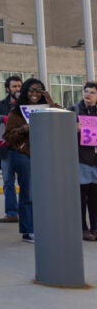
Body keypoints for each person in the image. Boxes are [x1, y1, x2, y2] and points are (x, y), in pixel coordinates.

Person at [3, 77, 59, 243]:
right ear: (26, 91)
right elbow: (8, 137)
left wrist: (50, 101)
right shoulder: (17, 112)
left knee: (43, 194)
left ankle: (41, 226)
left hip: (44, 155)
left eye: (39, 90)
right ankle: (28, 230)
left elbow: (64, 118)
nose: (35, 93)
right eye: (31, 90)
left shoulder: (48, 109)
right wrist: (22, 129)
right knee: (28, 193)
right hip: (24, 155)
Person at [68, 82, 97, 242]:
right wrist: (72, 126)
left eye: (92, 92)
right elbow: (60, 129)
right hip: (80, 160)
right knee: (80, 197)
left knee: (94, 197)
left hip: (95, 161)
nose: (88, 94)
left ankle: (95, 227)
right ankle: (82, 228)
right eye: (86, 91)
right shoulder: (74, 110)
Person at [0, 75, 23, 224]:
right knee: (8, 182)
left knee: (26, 182)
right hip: (7, 149)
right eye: (14, 86)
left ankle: (26, 213)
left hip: (23, 149)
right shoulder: (1, 105)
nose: (18, 89)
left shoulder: (26, 104)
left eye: (19, 86)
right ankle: (11, 213)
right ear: (8, 89)